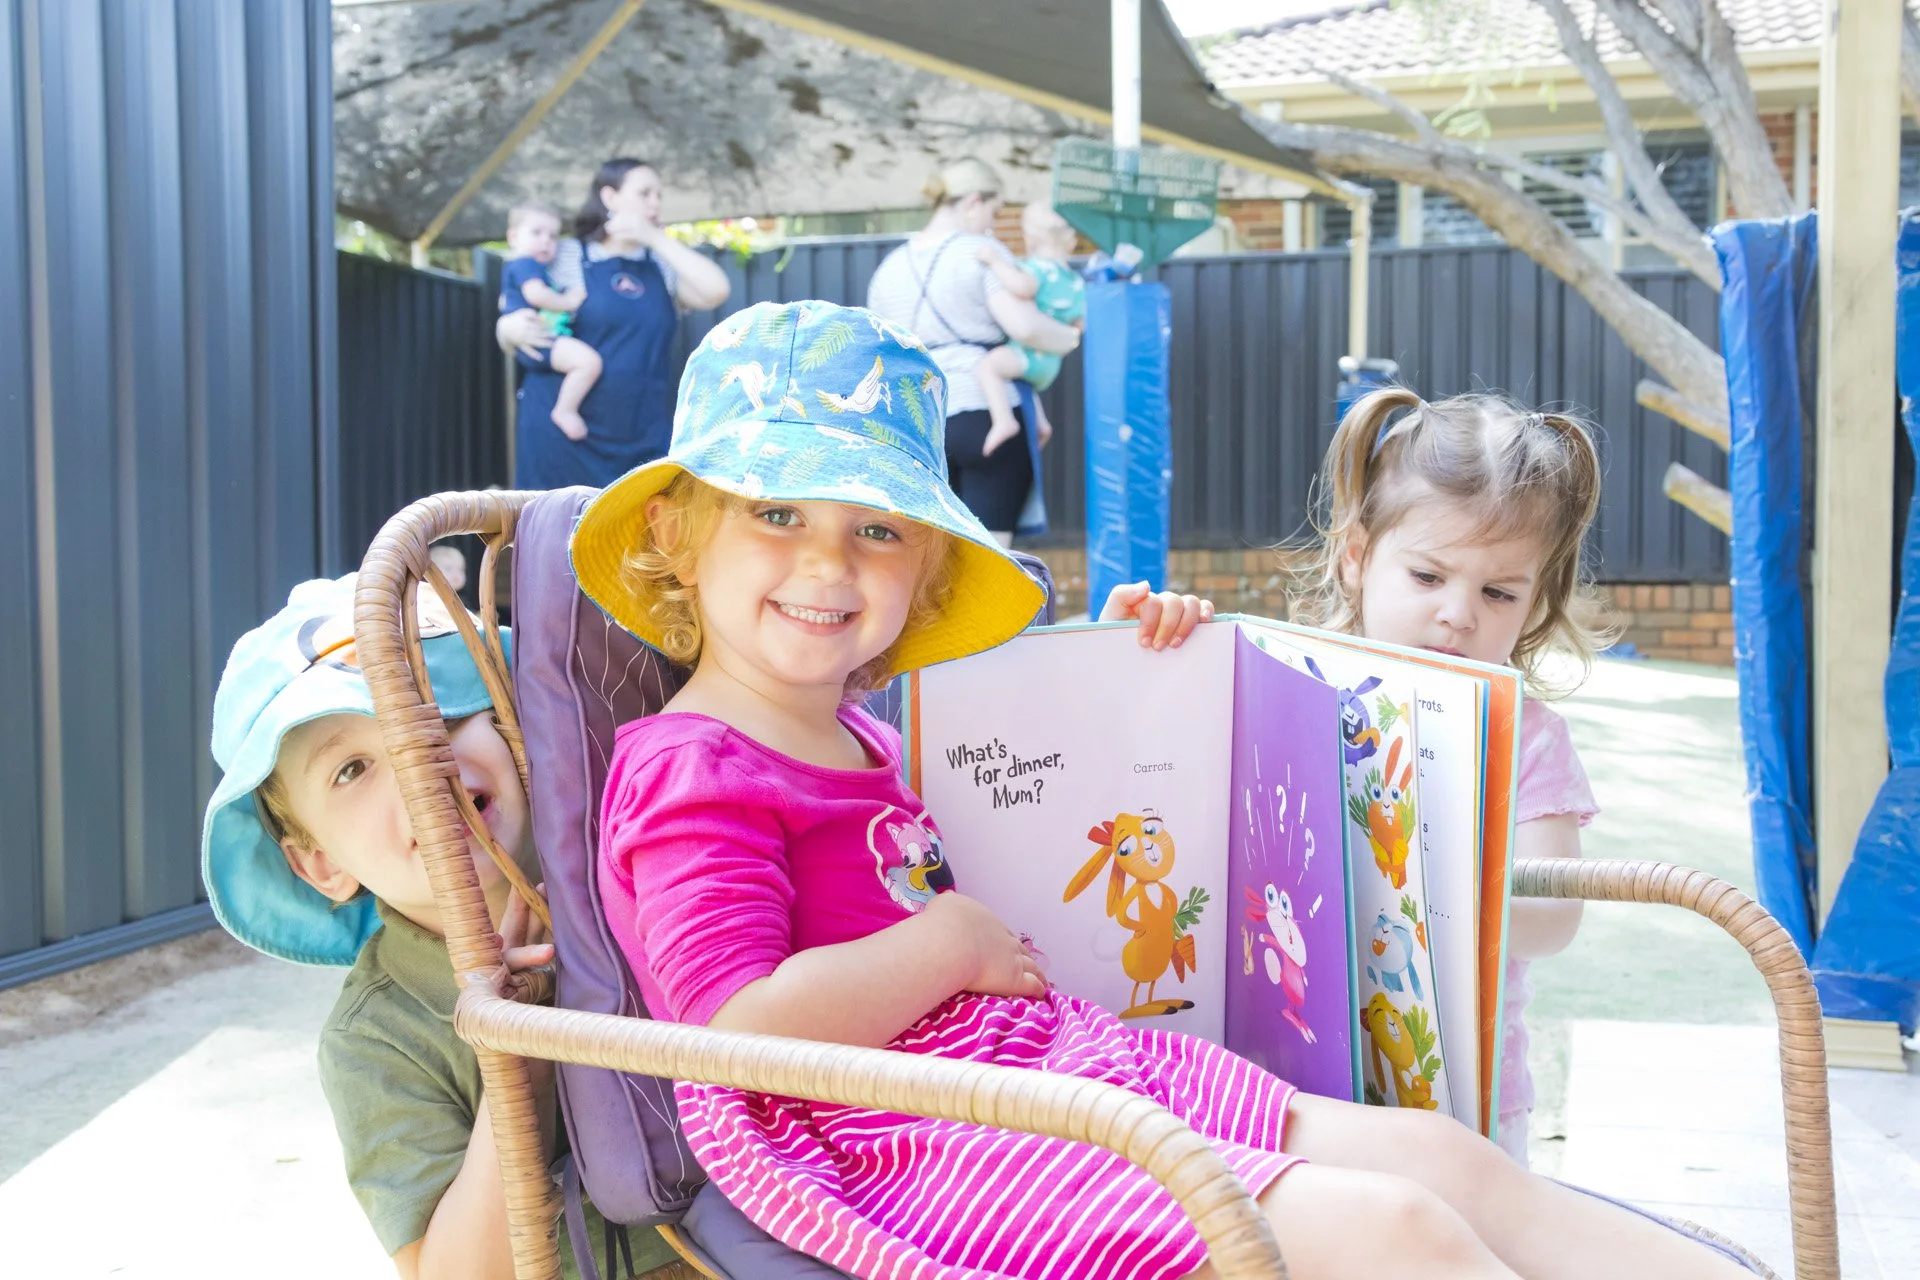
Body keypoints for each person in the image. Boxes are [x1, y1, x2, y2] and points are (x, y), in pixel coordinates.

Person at [568, 301, 1745, 1280]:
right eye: (776, 513)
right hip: (904, 1135)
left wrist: (1145, 653)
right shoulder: (692, 766)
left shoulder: (869, 731)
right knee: (1398, 1226)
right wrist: (951, 943)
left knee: (1448, 1159)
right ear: (676, 534)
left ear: (922, 561)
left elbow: (1050, 748)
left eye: (877, 527)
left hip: (1035, 1072)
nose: (829, 563)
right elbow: (735, 1037)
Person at [198, 576, 679, 1280]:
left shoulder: (641, 861)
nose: (422, 768)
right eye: (353, 768)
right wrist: (519, 1051)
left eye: (445, 714)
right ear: (320, 865)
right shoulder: (378, 1036)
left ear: (520, 726)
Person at [1291, 386, 1612, 1167]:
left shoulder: (1529, 736)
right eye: (1429, 577)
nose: (1459, 615)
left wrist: (1427, 875)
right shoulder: (1292, 682)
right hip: (1300, 1080)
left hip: (1466, 1102)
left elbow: (1554, 917)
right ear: (1357, 557)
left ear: (1535, 602)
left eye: (1498, 592)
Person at [867, 158, 1080, 546]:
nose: (992, 226)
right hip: (985, 413)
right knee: (991, 553)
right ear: (973, 203)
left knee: (930, 553)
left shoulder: (889, 268)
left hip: (921, 420)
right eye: (993, 214)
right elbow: (1025, 327)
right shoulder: (980, 251)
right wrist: (1071, 337)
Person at [498, 158, 731, 490]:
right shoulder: (566, 255)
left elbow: (716, 290)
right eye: (645, 193)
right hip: (564, 438)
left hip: (641, 439)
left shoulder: (661, 266)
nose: (655, 203)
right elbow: (514, 299)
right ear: (609, 198)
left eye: (659, 195)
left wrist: (657, 239)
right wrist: (505, 331)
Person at [973, 201, 1085, 460]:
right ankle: (1042, 423)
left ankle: (1003, 421)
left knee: (989, 367)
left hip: (1029, 352)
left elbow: (1022, 287)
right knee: (1023, 380)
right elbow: (1079, 325)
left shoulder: (1038, 268)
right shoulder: (1075, 281)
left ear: (1032, 237)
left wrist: (994, 261)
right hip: (1051, 362)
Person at [500, 204, 603, 442]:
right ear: (514, 236)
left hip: (540, 337)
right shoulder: (525, 264)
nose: (545, 241)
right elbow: (537, 295)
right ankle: (565, 410)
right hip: (537, 338)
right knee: (589, 363)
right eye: (536, 233)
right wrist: (569, 301)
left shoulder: (534, 266)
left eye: (553, 236)